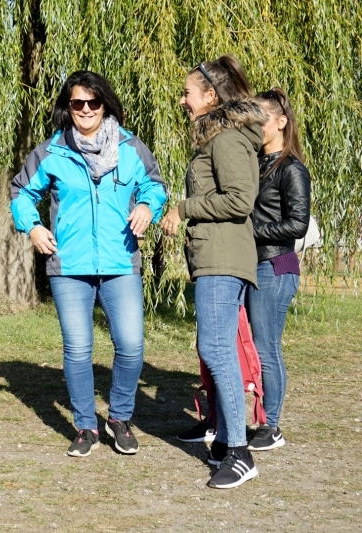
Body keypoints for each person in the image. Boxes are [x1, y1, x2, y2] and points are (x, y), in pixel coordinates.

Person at [11, 71, 167, 457]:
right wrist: (31, 227)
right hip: (69, 265)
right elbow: (20, 191)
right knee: (78, 348)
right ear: (68, 107)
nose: (85, 110)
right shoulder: (52, 151)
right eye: (77, 103)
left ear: (105, 105)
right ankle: (85, 426)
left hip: (120, 260)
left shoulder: (131, 147)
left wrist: (148, 206)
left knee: (130, 345)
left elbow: (155, 185)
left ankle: (119, 417)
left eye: (92, 103)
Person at [160, 55, 265, 488]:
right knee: (215, 348)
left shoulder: (226, 139)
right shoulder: (217, 137)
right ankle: (224, 439)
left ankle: (239, 453)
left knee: (216, 347)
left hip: (223, 258)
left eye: (188, 93)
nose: (182, 100)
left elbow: (240, 199)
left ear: (210, 96)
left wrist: (184, 208)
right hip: (214, 256)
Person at [245, 87, 311, 452]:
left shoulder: (291, 168)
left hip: (279, 262)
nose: (254, 125)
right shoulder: (257, 163)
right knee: (256, 344)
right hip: (258, 263)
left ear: (281, 122)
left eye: (260, 119)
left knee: (266, 345)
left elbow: (297, 225)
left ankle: (271, 425)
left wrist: (249, 231)